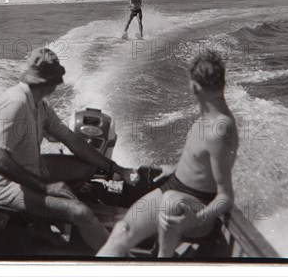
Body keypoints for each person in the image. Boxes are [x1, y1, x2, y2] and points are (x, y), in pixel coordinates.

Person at [0, 47, 137, 251]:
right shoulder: (15, 104)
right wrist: (47, 188)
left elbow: (72, 140)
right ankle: (120, 262)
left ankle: (42, 226)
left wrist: (117, 168)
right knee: (80, 212)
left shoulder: (39, 105)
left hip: (29, 170)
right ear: (50, 83)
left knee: (87, 167)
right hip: (3, 186)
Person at [97, 49, 239, 257]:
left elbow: (226, 197)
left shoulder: (219, 129)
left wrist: (197, 219)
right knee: (122, 230)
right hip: (176, 186)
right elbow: (203, 161)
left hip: (197, 204)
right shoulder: (208, 113)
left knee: (171, 204)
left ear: (194, 87)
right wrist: (176, 169)